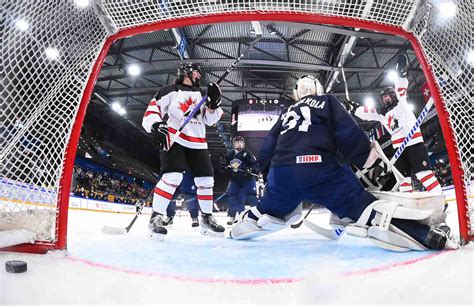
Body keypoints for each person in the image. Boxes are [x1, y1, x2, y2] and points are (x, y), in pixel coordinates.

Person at [230, 74, 454, 251]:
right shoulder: (326, 101)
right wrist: (364, 157)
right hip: (320, 171)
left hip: (282, 175)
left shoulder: (286, 113)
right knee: (363, 206)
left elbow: (268, 147)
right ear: (318, 90)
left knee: (265, 209)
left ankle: (243, 223)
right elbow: (348, 134)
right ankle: (423, 235)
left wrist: (269, 177)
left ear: (297, 93)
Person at [142, 62, 225, 239]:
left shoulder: (203, 93)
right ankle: (156, 218)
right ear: (186, 72)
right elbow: (152, 110)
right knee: (172, 177)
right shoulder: (170, 90)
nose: (199, 76)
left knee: (206, 180)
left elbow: (210, 120)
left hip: (198, 141)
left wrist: (214, 104)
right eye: (196, 72)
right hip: (174, 137)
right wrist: (156, 125)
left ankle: (206, 218)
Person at [344, 54, 441, 193]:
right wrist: (354, 108)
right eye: (383, 98)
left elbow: (400, 85)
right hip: (399, 149)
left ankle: (439, 199)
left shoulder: (401, 102)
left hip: (414, 143)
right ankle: (410, 205)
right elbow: (367, 113)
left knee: (423, 174)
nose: (385, 100)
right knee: (402, 179)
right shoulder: (382, 114)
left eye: (387, 96)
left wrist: (401, 72)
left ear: (393, 95)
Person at [221, 136, 258, 225]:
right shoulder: (230, 154)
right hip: (235, 179)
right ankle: (232, 216)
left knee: (251, 196)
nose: (239, 144)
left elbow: (255, 165)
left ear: (244, 144)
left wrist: (250, 169)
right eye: (237, 142)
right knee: (232, 196)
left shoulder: (247, 153)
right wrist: (223, 166)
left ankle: (257, 215)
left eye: (241, 142)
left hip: (247, 179)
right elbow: (224, 168)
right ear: (234, 144)